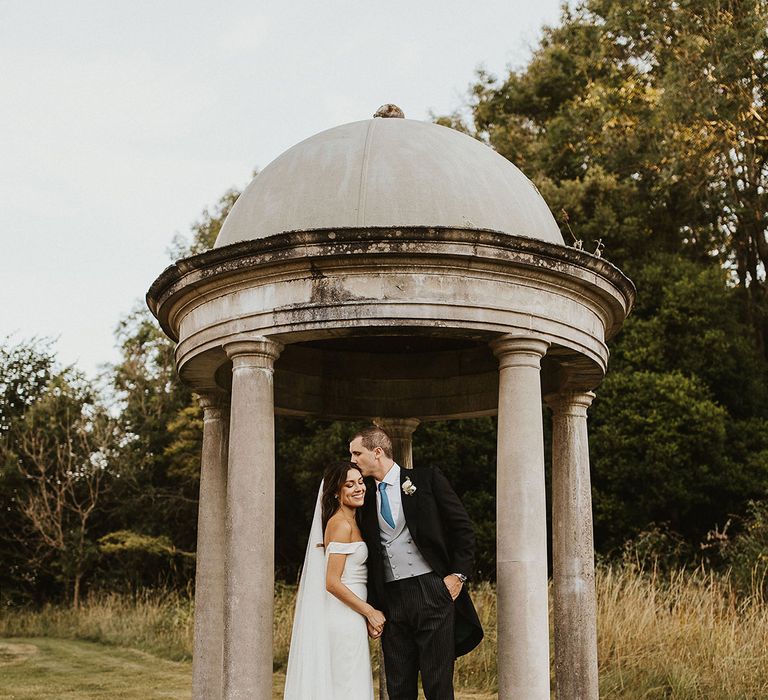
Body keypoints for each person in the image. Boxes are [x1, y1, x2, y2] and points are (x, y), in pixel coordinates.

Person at [350, 427, 484, 700]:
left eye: (357, 453)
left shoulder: (426, 479)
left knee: (438, 684)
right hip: (391, 599)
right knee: (398, 686)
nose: (352, 460)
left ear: (377, 452)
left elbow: (462, 528)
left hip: (432, 590)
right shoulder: (362, 498)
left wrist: (458, 575)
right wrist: (372, 608)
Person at [284, 460, 385, 699]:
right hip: (343, 618)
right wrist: (370, 611)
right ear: (336, 493)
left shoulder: (353, 521)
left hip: (350, 615)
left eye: (360, 482)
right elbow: (332, 582)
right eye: (349, 485)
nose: (359, 488)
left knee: (348, 684)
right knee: (347, 686)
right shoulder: (340, 524)